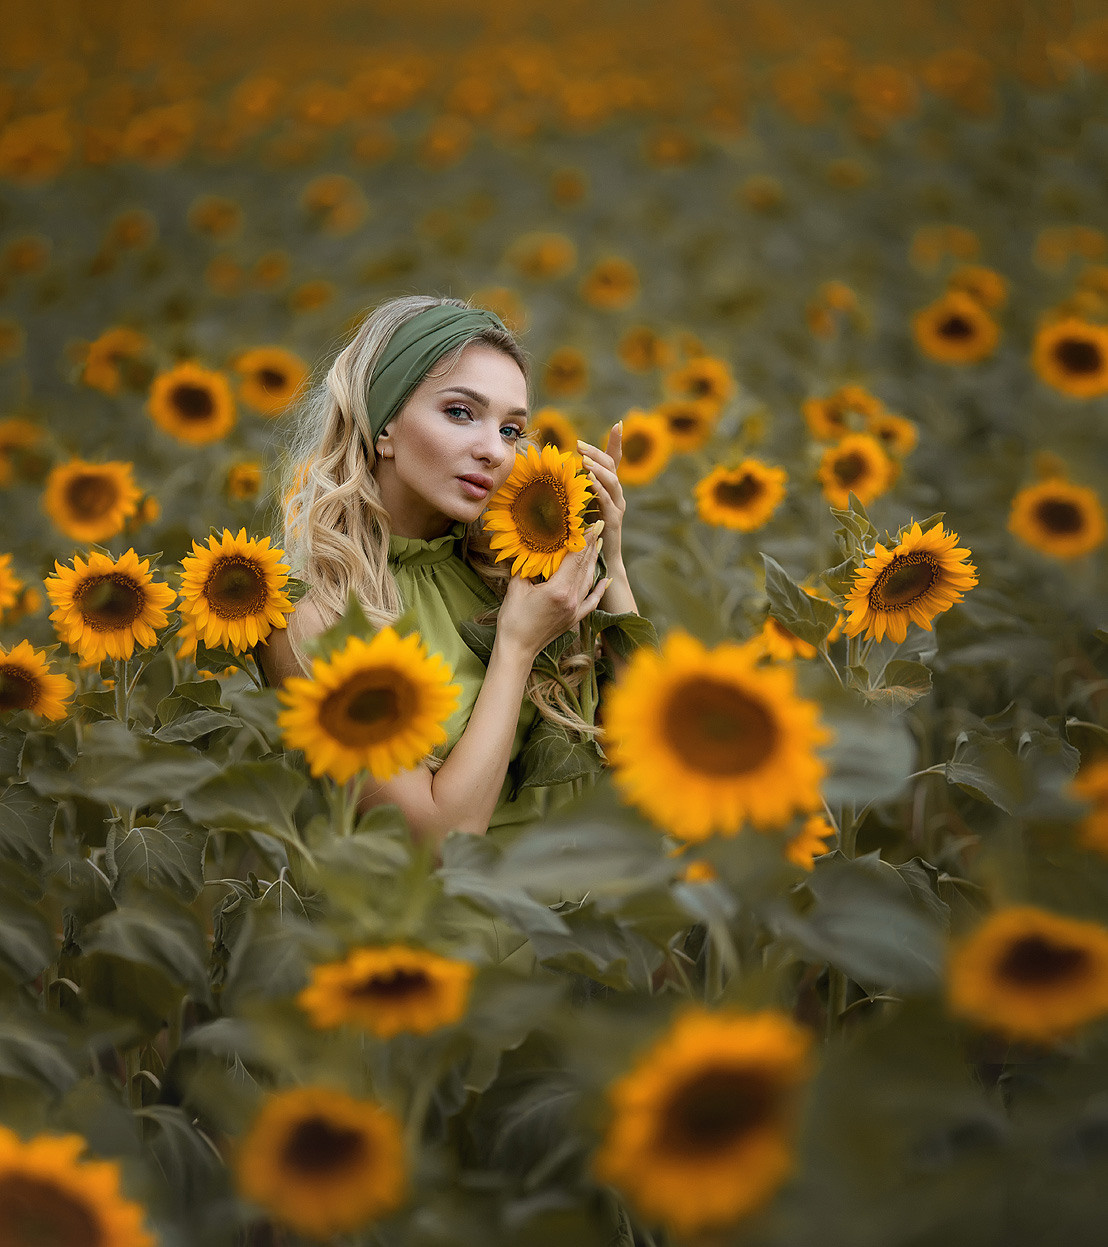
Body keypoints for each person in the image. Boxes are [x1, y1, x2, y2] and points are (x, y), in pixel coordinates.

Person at [259, 295, 639, 848]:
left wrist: (612, 560)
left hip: (584, 908)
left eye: (511, 430)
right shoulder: (316, 614)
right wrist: (516, 646)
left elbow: (648, 746)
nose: (494, 451)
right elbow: (437, 845)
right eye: (460, 413)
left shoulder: (506, 571)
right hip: (456, 928)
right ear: (382, 424)